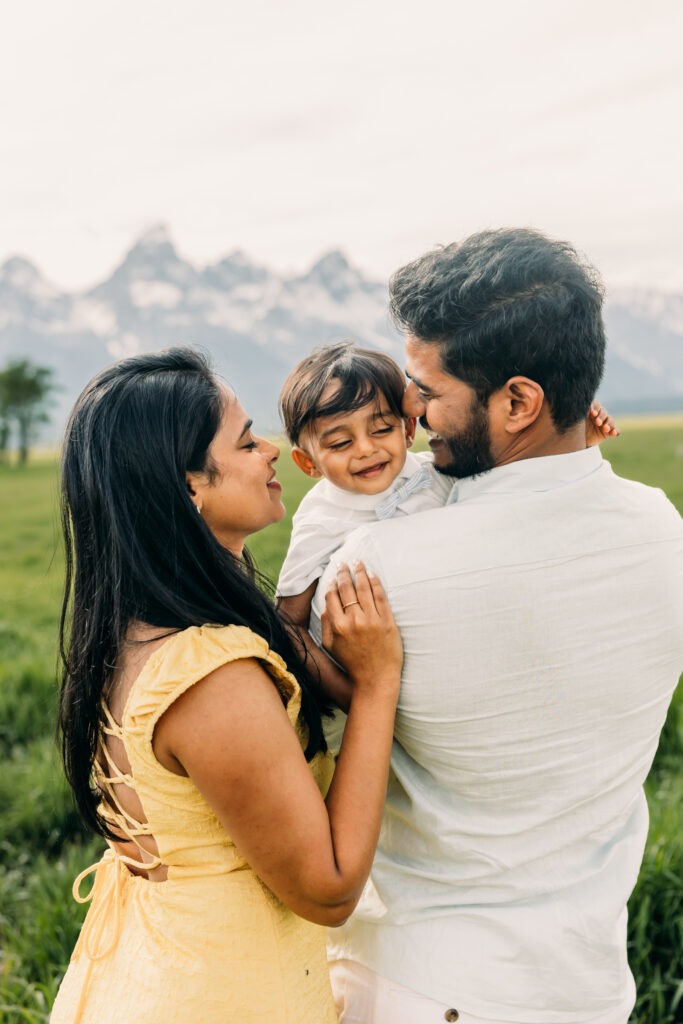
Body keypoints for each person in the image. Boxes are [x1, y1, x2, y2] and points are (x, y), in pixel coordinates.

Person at [309, 228, 683, 1024]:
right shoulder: (662, 530)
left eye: (424, 389)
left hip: (420, 986)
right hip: (584, 986)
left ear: (518, 402)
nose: (405, 412)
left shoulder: (377, 567)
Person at [51, 347, 403, 1024]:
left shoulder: (136, 628)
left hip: (149, 972)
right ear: (190, 488)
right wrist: (378, 682)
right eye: (245, 441)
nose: (271, 450)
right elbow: (327, 891)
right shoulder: (213, 676)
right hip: (223, 996)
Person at [277, 340, 616, 709]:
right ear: (307, 463)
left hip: (451, 659)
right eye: (341, 442)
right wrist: (355, 698)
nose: (364, 449)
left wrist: (577, 444)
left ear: (408, 429)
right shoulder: (320, 518)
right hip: (365, 683)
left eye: (381, 430)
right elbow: (288, 622)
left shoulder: (436, 473)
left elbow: (521, 492)